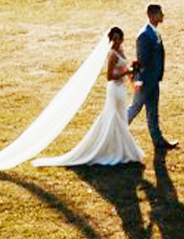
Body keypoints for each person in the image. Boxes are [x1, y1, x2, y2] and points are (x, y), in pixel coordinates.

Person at [30, 26, 145, 168]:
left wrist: (130, 75)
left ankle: (118, 148)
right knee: (113, 118)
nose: (115, 41)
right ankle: (113, 150)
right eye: (113, 39)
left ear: (122, 38)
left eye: (118, 38)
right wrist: (127, 71)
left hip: (121, 90)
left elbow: (121, 70)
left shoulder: (121, 51)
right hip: (114, 90)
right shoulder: (113, 54)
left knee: (120, 118)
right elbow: (109, 77)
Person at [127, 4, 178, 150]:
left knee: (153, 111)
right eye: (159, 13)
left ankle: (158, 140)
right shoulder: (144, 35)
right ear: (152, 15)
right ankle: (116, 132)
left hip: (154, 80)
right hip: (144, 81)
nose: (162, 15)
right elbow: (142, 60)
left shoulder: (155, 32)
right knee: (135, 108)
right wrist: (140, 81)